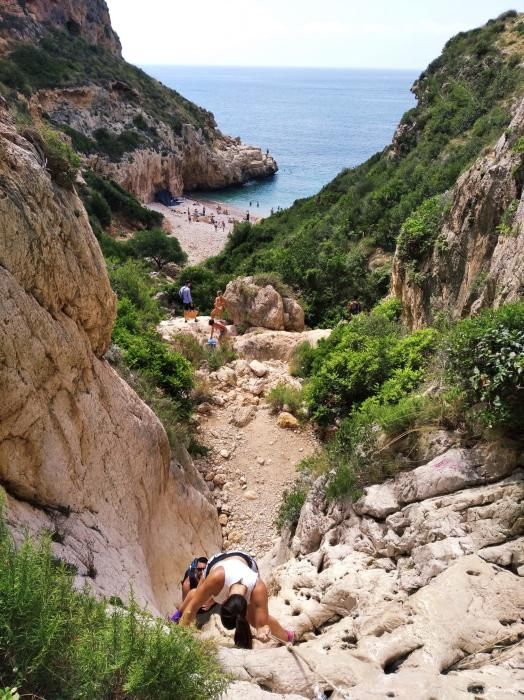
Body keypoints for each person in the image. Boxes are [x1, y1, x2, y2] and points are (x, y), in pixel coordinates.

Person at [177, 551, 294, 648]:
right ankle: (174, 618)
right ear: (223, 601)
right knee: (195, 595)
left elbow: (261, 625)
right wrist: (178, 637)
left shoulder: (258, 589)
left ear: (223, 601)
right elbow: (191, 609)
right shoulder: (215, 578)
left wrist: (262, 630)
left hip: (245, 564)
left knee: (253, 620)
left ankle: (287, 637)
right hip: (219, 562)